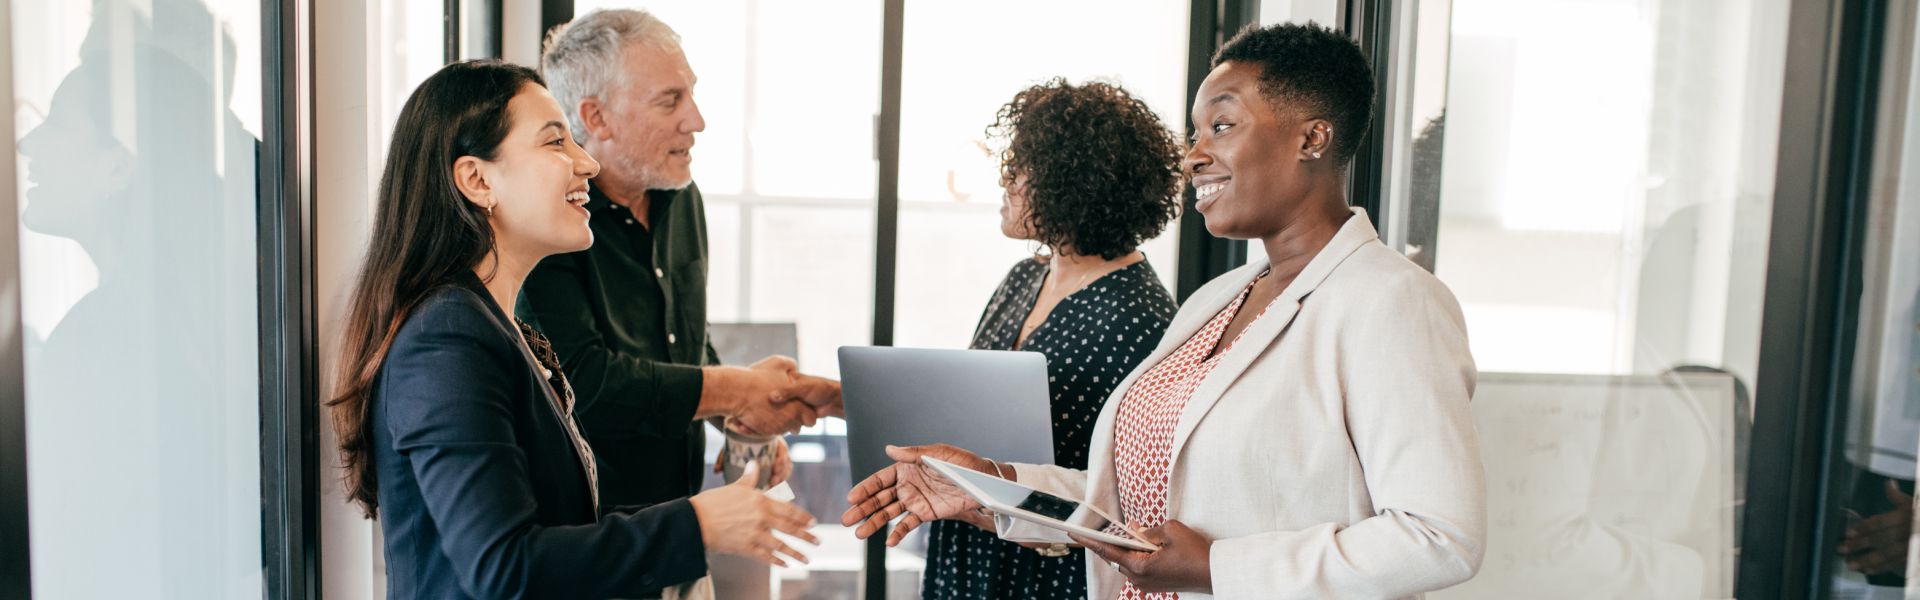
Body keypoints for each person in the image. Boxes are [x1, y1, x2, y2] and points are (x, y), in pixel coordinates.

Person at [844, 23, 1485, 598]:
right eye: (1194, 133)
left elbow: (1439, 536)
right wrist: (991, 485)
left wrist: (1218, 568)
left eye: (1223, 126)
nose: (1193, 155)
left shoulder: (1392, 301)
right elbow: (1124, 513)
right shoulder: (1214, 301)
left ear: (1312, 137)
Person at [328, 60, 817, 599]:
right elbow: (504, 567)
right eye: (555, 142)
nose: (584, 162)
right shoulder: (447, 338)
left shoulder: (492, 325)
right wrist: (697, 523)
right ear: (477, 179)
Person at [520, 8, 842, 530]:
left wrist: (739, 420)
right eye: (670, 100)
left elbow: (685, 343)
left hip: (684, 522)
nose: (696, 119)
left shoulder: (681, 196)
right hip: (590, 539)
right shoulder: (550, 218)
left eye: (690, 94)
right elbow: (584, 385)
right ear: (596, 117)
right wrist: (738, 388)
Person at [916, 79, 1183, 600]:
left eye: (1022, 167)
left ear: (1074, 183)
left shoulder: (1141, 318)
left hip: (1047, 569)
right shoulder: (1023, 277)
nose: (1006, 180)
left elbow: (1130, 495)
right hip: (966, 539)